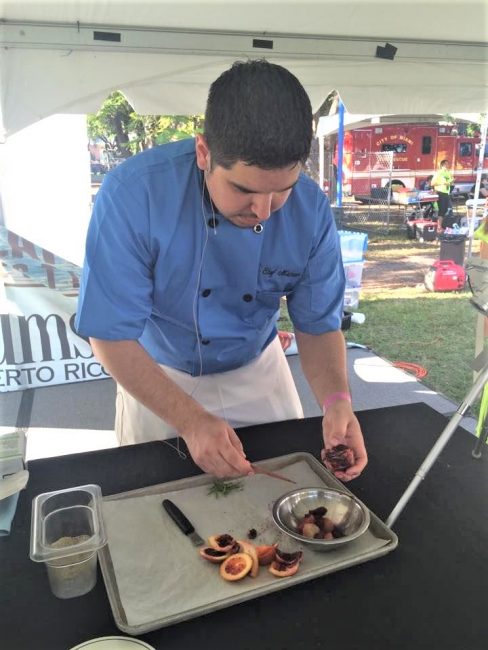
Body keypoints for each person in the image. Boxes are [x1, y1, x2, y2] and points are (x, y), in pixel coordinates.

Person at [75, 59, 367, 482]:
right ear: (203, 152)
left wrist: (337, 400)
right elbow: (111, 337)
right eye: (244, 190)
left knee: (281, 500)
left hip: (258, 369)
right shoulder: (132, 195)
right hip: (159, 375)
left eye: (281, 190)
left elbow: (319, 326)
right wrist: (191, 420)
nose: (263, 211)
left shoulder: (310, 207)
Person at [431, 159, 454, 230]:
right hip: (440, 192)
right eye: (445, 164)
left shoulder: (449, 173)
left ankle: (441, 225)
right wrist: (442, 183)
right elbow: (432, 183)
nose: (447, 166)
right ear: (442, 165)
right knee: (441, 210)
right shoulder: (438, 173)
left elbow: (450, 181)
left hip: (446, 192)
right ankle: (439, 226)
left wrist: (451, 182)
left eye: (448, 164)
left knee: (445, 210)